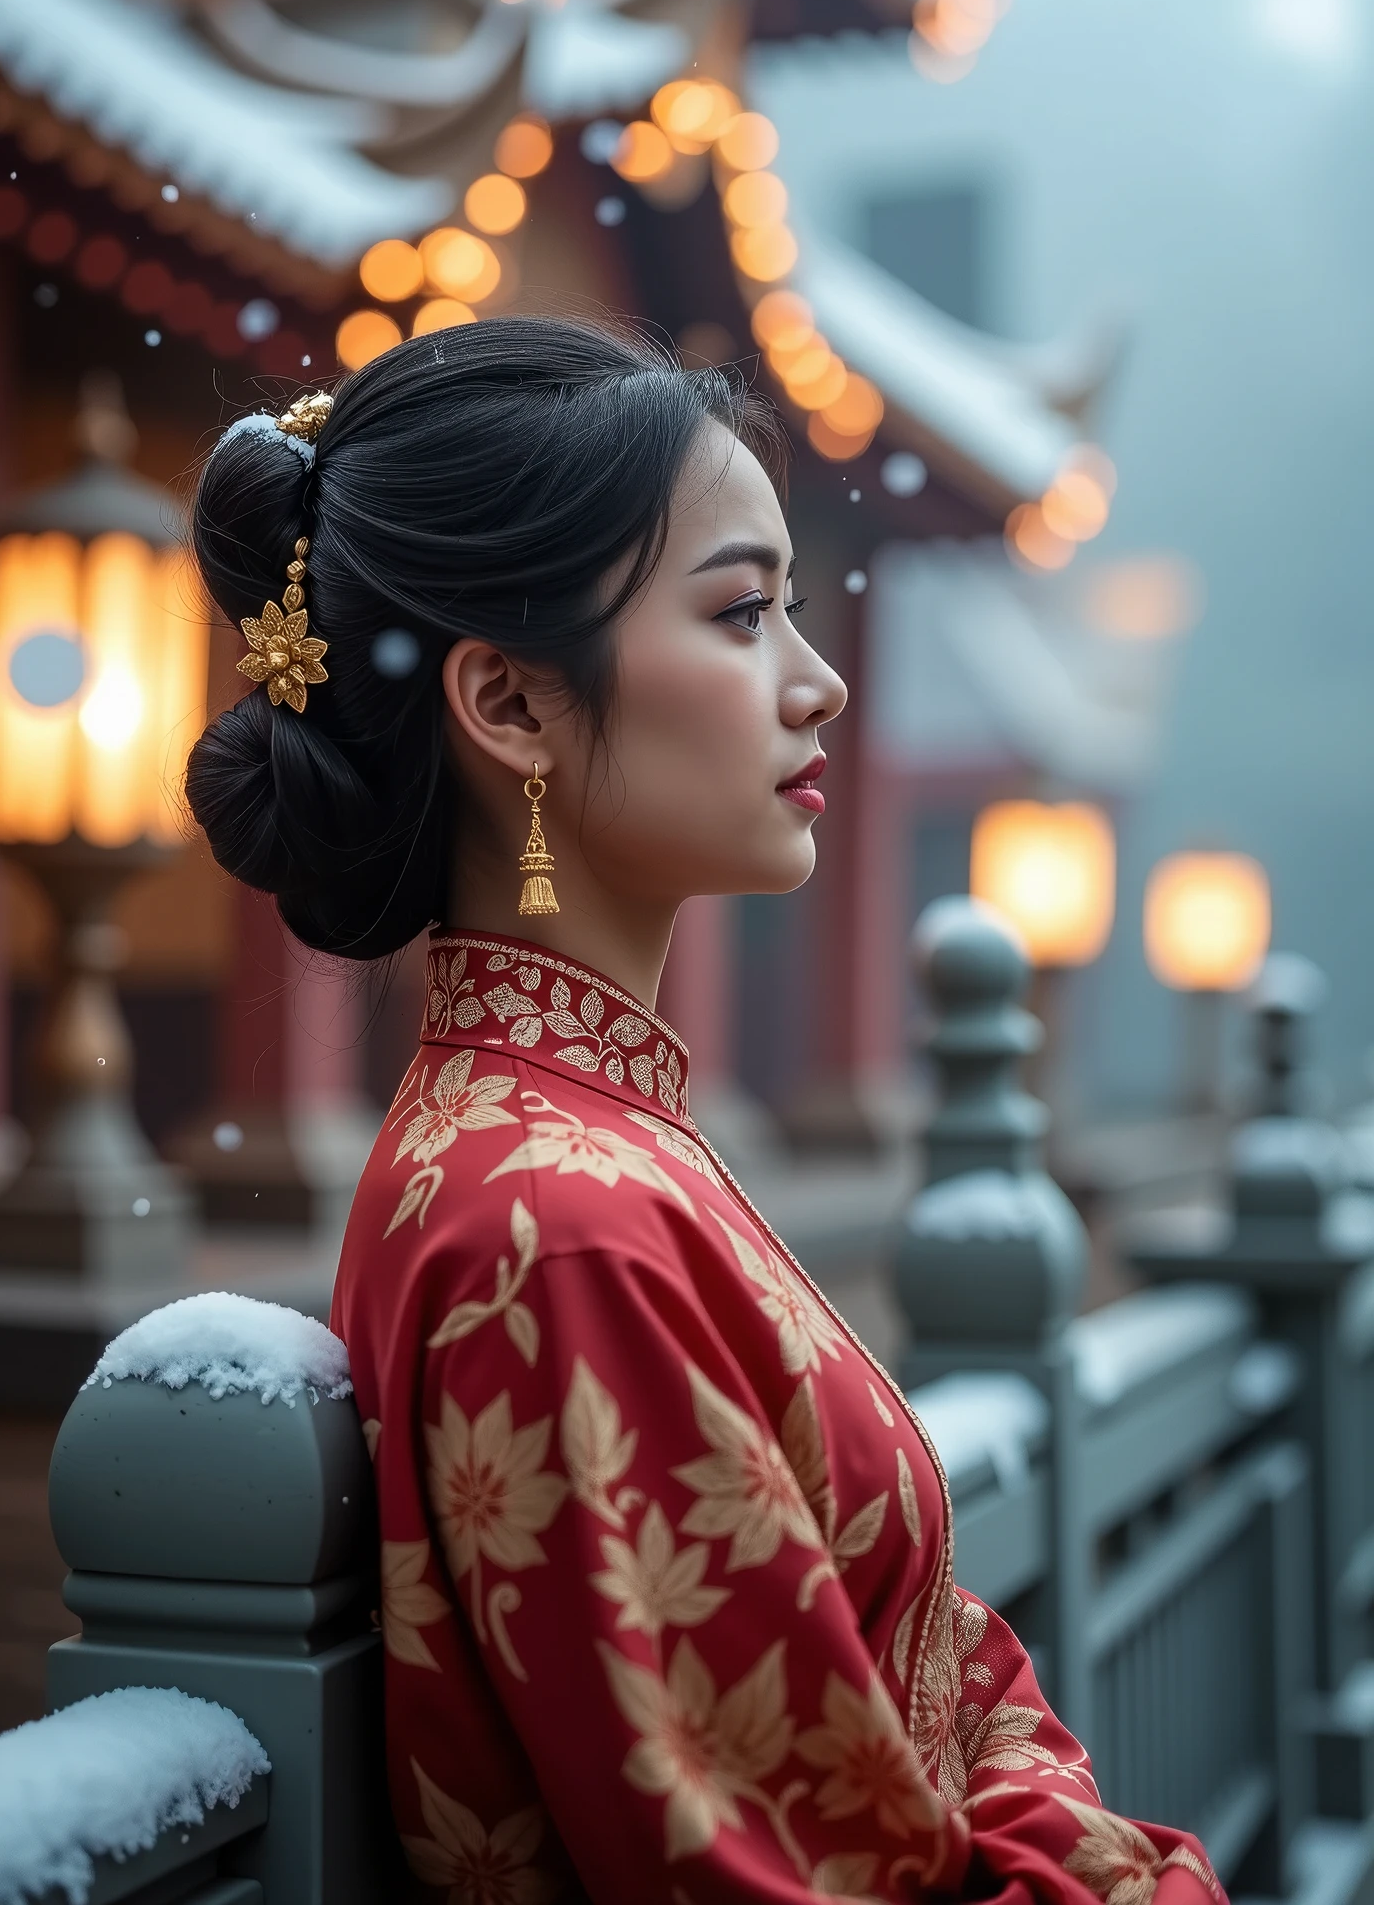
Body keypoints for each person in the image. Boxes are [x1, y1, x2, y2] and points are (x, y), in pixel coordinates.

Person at [185, 319, 1222, 1905]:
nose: (817, 683)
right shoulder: (555, 1235)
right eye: (742, 613)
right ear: (511, 707)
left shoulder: (566, 1145)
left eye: (793, 607)